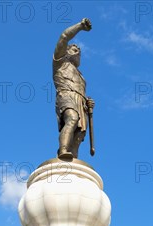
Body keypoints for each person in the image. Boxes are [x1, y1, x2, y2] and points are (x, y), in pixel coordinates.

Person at [53, 19, 95, 160]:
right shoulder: (60, 62)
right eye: (75, 50)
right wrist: (80, 26)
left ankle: (73, 159)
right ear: (66, 52)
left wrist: (88, 102)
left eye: (80, 52)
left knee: (79, 134)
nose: (78, 53)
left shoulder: (82, 77)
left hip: (80, 101)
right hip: (66, 95)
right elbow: (64, 36)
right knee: (72, 118)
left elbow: (83, 93)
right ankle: (63, 150)